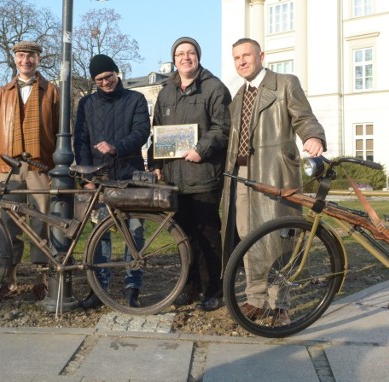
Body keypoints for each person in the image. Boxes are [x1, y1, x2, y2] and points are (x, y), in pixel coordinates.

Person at [222, 38, 326, 323]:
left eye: (246, 55)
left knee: (279, 238)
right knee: (247, 237)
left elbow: (305, 118)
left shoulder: (285, 83)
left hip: (274, 173)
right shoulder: (237, 98)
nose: (241, 61)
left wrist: (313, 136)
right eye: (236, 58)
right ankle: (256, 299)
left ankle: (280, 304)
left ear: (261, 56)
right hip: (242, 176)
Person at [148, 37, 231, 312]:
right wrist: (156, 164)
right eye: (180, 54)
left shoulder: (214, 87)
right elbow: (157, 131)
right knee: (184, 237)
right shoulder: (166, 91)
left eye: (191, 53)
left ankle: (214, 289)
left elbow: (222, 129)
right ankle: (190, 286)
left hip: (203, 175)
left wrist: (201, 149)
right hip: (174, 180)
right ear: (174, 59)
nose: (186, 57)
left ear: (198, 57)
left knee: (207, 235)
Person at [0, 41, 59, 300]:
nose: (26, 61)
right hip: (9, 168)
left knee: (42, 223)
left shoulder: (52, 91)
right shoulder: (2, 93)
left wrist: (57, 170)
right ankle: (10, 280)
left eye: (31, 56)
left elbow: (61, 132)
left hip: (41, 167)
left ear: (39, 59)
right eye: (21, 56)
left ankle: (42, 279)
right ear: (14, 59)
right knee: (8, 225)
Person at [74, 54, 151, 309]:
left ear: (117, 74)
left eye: (109, 76)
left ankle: (133, 287)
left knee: (135, 232)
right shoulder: (86, 104)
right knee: (100, 235)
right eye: (99, 79)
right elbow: (81, 141)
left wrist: (116, 147)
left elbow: (141, 132)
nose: (105, 82)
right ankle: (100, 287)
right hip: (99, 179)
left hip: (130, 175)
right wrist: (87, 178)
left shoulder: (136, 99)